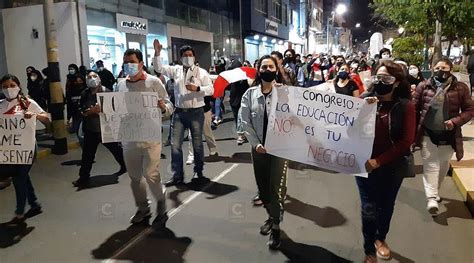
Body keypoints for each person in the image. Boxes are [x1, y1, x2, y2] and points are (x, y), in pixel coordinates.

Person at [358, 61, 416, 263]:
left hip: (391, 167)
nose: (381, 82)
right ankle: (368, 249)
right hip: (364, 166)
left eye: (387, 78)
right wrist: (362, 109)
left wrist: (379, 161)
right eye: (378, 77)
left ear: (397, 82)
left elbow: (406, 141)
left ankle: (380, 238)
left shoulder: (406, 106)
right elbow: (348, 129)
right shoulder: (364, 100)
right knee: (368, 208)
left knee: (385, 205)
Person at [116, 49, 173, 230]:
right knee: (134, 177)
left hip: (150, 137)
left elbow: (169, 106)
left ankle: (161, 202)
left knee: (151, 174)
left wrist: (163, 107)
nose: (128, 66)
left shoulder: (153, 82)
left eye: (131, 62)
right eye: (125, 62)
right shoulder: (120, 85)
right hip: (129, 138)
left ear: (140, 63)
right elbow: (115, 108)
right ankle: (143, 208)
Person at [240, 55, 289, 250]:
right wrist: (255, 144)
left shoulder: (286, 94)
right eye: (264, 67)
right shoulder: (249, 94)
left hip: (279, 149)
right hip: (259, 149)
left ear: (277, 70)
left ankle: (276, 226)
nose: (267, 69)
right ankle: (272, 215)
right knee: (263, 189)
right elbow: (245, 121)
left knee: (276, 188)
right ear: (258, 70)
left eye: (271, 66)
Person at [414, 57, 474, 215]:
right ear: (432, 69)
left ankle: (435, 191)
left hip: (449, 135)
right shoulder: (424, 86)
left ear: (450, 70)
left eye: (444, 69)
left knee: (443, 166)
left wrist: (455, 122)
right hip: (428, 133)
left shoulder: (461, 88)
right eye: (437, 68)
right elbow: (413, 108)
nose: (440, 71)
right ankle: (432, 198)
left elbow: (469, 110)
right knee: (431, 165)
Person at [153, 39, 214, 186]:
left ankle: (198, 172)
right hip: (179, 113)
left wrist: (198, 89)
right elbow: (159, 69)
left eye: (190, 54)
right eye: (185, 55)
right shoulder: (176, 70)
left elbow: (211, 89)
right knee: (175, 145)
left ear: (194, 57)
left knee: (197, 144)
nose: (188, 57)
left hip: (196, 113)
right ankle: (177, 175)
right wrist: (157, 53)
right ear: (181, 58)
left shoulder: (202, 72)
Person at [1, 74, 51, 225]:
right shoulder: (1, 105)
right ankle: (34, 203)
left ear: (18, 86)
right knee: (22, 176)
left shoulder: (26, 103)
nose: (9, 89)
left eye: (11, 85)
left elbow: (47, 118)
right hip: (9, 149)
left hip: (27, 148)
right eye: (5, 86)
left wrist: (35, 115)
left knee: (18, 178)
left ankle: (19, 212)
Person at [72, 71, 127, 188]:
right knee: (87, 155)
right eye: (89, 77)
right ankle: (83, 178)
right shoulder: (85, 94)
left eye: (94, 76)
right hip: (91, 129)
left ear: (99, 79)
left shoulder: (107, 92)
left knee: (116, 150)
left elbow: (116, 110)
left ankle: (125, 165)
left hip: (106, 128)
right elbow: (81, 110)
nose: (92, 79)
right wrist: (90, 111)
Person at [66, 74, 86, 148]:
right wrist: (68, 117)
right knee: (79, 134)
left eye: (80, 81)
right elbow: (69, 105)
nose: (79, 83)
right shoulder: (71, 92)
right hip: (76, 116)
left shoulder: (86, 91)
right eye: (77, 81)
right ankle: (84, 149)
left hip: (85, 116)